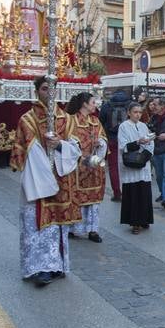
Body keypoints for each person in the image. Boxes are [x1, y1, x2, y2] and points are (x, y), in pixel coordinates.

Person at [11, 77, 82, 286]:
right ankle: (37, 266)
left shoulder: (67, 120)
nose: (49, 93)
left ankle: (54, 266)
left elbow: (76, 149)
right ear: (36, 91)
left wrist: (60, 145)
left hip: (61, 179)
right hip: (36, 180)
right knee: (35, 223)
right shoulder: (27, 120)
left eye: (52, 89)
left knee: (56, 223)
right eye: (44, 88)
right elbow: (19, 150)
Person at [66, 92, 107, 243]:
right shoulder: (71, 120)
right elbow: (66, 140)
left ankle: (93, 230)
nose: (95, 105)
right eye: (93, 102)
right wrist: (77, 148)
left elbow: (103, 138)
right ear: (84, 104)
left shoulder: (95, 121)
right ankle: (73, 228)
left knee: (93, 199)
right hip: (77, 166)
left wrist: (100, 143)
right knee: (77, 197)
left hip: (94, 166)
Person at [119, 102, 156, 234]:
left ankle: (145, 219)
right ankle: (135, 222)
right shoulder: (123, 126)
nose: (138, 115)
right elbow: (123, 146)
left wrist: (146, 154)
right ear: (129, 113)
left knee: (144, 192)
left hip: (143, 162)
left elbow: (150, 142)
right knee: (133, 193)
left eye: (140, 112)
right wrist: (138, 142)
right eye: (135, 112)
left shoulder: (143, 126)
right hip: (131, 163)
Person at [102, 88, 130, 202]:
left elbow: (101, 121)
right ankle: (129, 192)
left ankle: (117, 193)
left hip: (111, 139)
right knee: (128, 165)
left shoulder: (107, 105)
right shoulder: (130, 104)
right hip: (127, 139)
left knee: (113, 167)